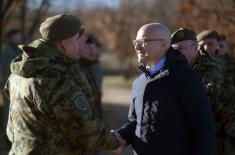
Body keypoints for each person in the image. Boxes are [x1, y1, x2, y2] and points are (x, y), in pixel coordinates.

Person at [4, 14, 122, 155]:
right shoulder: (56, 78)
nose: (79, 45)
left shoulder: (21, 70)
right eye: (77, 39)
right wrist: (114, 142)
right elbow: (84, 127)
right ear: (65, 44)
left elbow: (12, 124)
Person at [114, 23, 214, 155]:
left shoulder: (186, 78)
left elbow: (203, 129)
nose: (137, 47)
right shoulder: (139, 82)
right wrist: (120, 136)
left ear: (162, 44)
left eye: (143, 42)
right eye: (135, 42)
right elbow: (135, 122)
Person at [171, 28, 235, 155]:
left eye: (180, 49)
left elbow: (230, 116)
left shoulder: (212, 73)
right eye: (173, 50)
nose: (175, 54)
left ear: (194, 47)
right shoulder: (176, 70)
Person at [0, 28, 22, 147]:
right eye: (17, 36)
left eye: (19, 36)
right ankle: (8, 139)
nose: (19, 38)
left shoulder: (17, 49)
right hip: (9, 87)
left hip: (18, 86)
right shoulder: (6, 51)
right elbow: (6, 71)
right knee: (8, 113)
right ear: (11, 37)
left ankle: (14, 139)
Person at [79, 34, 103, 119]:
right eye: (88, 48)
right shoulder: (79, 67)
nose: (93, 52)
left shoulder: (95, 66)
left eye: (94, 48)